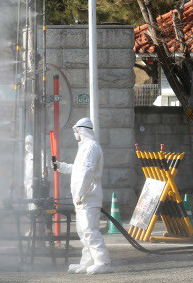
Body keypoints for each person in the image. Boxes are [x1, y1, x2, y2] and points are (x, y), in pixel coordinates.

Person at [54, 117, 113, 275]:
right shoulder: (85, 148)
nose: (75, 135)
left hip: (88, 197)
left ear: (81, 130)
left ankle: (102, 262)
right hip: (83, 199)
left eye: (75, 131)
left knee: (90, 230)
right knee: (83, 231)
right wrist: (61, 167)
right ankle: (87, 262)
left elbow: (87, 172)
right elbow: (78, 169)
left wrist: (80, 194)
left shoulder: (90, 147)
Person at [24, 135, 34, 206]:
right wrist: (25, 185)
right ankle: (32, 216)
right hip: (28, 185)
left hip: (35, 184)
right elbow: (26, 173)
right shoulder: (27, 156)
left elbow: (44, 169)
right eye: (26, 143)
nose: (27, 145)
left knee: (34, 203)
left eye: (29, 143)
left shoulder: (41, 154)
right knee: (29, 203)